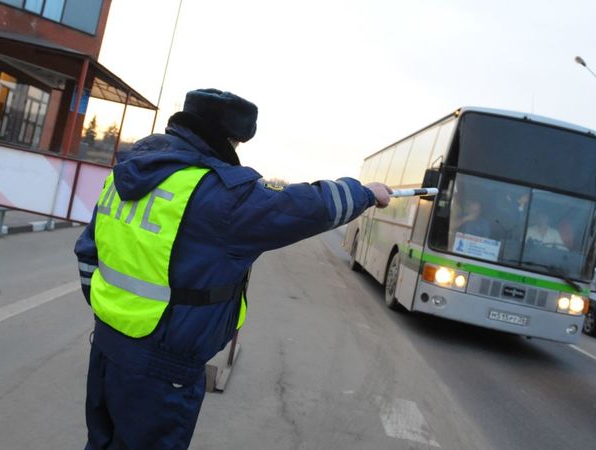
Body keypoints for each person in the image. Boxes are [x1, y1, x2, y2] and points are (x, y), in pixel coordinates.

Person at [73, 88, 391, 450]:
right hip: (163, 367)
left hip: (106, 347)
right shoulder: (218, 194)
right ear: (227, 139)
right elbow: (303, 208)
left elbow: (87, 253)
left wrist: (112, 312)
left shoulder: (124, 174)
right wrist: (365, 192)